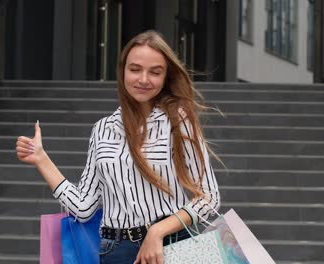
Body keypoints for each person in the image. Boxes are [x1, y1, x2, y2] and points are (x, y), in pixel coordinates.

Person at [16, 30, 220, 264]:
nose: (144, 79)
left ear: (165, 78)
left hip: (170, 245)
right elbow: (84, 207)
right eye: (135, 69)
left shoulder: (178, 121)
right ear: (122, 70)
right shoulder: (102, 129)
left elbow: (209, 197)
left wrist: (157, 231)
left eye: (155, 72)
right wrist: (41, 159)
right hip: (115, 250)